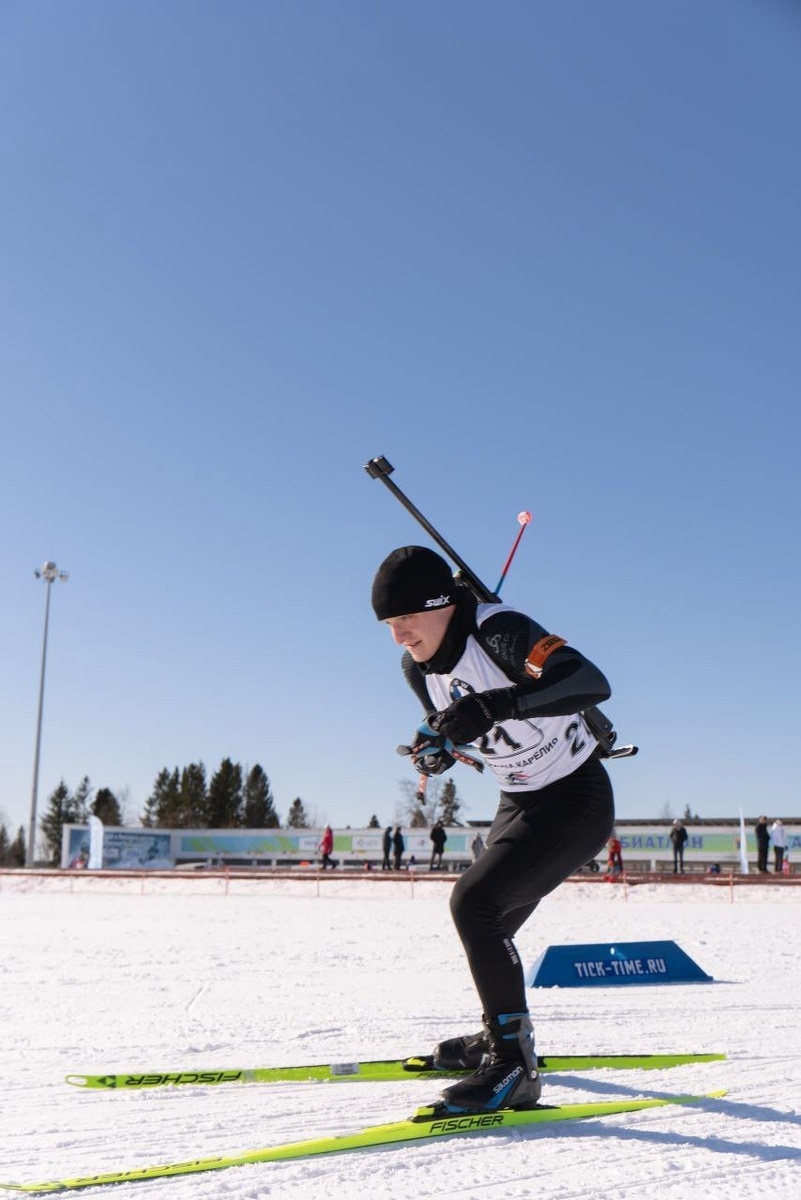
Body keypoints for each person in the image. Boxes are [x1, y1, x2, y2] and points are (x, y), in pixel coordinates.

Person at [371, 544, 615, 1115]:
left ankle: (515, 1066)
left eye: (406, 618)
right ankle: (498, 1037)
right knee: (490, 916)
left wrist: (494, 706)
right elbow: (455, 727)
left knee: (474, 903)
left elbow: (589, 680)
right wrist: (438, 747)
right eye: (388, 624)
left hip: (575, 798)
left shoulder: (499, 631)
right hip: (520, 800)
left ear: (441, 605)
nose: (399, 636)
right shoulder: (417, 668)